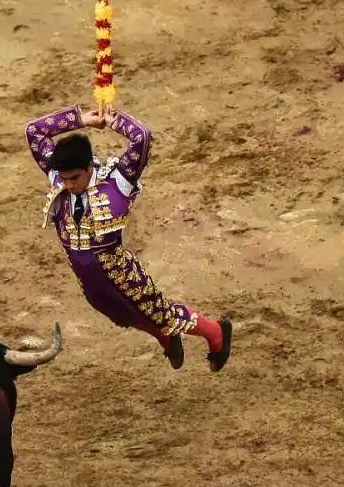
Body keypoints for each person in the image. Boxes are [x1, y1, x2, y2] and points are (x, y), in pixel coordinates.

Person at [24, 103, 232, 371]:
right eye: (64, 179)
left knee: (162, 314)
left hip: (121, 273)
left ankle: (216, 332)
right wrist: (81, 119)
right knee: (120, 315)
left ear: (88, 167)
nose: (69, 185)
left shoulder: (118, 180)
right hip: (86, 276)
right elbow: (34, 132)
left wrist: (114, 120)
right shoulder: (60, 178)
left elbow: (142, 138)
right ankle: (164, 337)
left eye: (74, 178)